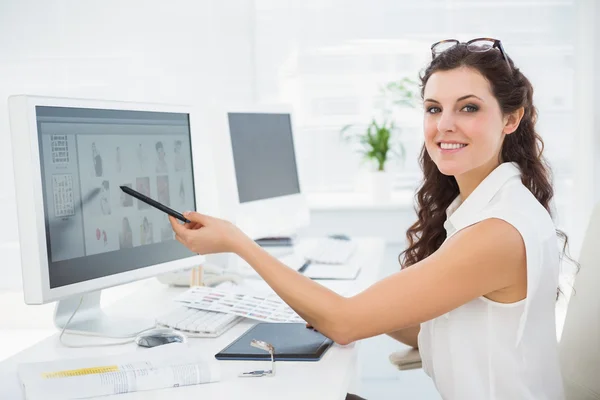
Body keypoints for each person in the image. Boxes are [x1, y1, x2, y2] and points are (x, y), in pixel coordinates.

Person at [168, 38, 569, 399]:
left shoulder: (498, 230)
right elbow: (432, 325)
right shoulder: (489, 206)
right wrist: (336, 306)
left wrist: (238, 243)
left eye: (468, 107)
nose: (445, 123)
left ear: (511, 119)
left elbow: (344, 324)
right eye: (434, 108)